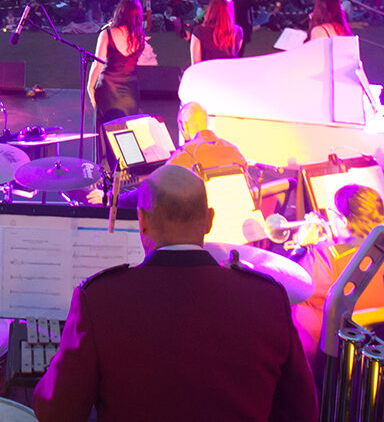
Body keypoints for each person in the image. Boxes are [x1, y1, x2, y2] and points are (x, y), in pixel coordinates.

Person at [33, 164, 317, 421]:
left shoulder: (97, 300)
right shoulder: (269, 299)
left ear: (141, 221)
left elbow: (56, 413)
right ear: (209, 221)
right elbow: (302, 412)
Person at [294, 184, 384, 381]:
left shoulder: (325, 257)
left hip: (339, 373)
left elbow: (288, 288)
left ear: (343, 221)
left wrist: (302, 247)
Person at [87, 0, 145, 131]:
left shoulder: (107, 34)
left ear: (119, 12)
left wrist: (90, 88)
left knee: (105, 135)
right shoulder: (140, 37)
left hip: (108, 91)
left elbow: (98, 64)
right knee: (127, 135)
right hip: (130, 93)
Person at [189, 0, 243, 64]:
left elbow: (196, 64)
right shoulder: (237, 31)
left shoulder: (199, 31)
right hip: (229, 73)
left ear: (211, 9)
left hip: (208, 73)